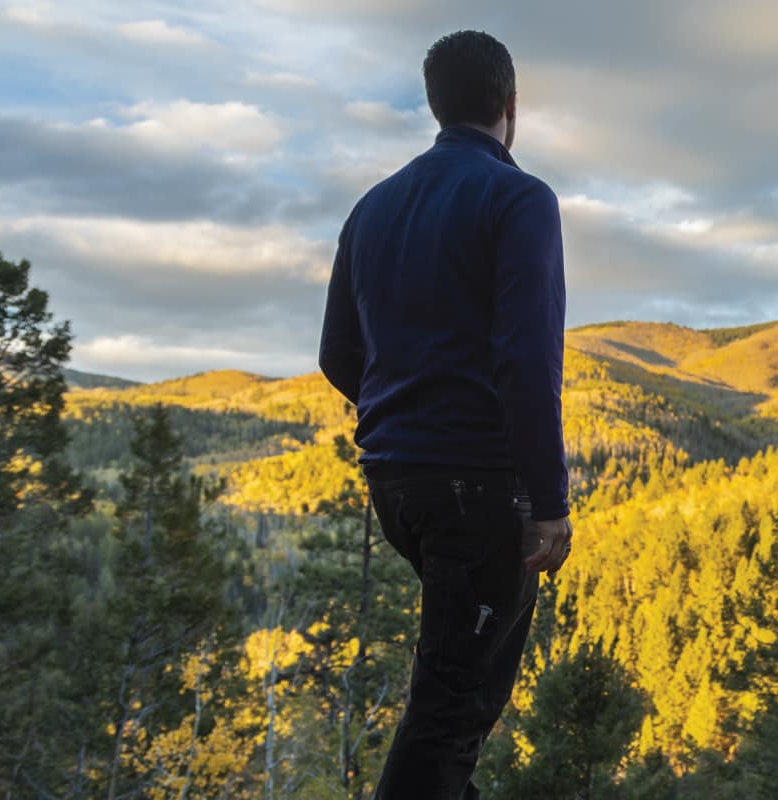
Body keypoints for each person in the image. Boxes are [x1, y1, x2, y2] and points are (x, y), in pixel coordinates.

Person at [319, 28, 573, 799]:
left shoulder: (371, 208)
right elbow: (526, 362)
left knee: (451, 695)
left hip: (396, 486)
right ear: (511, 104)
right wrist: (551, 502)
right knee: (451, 714)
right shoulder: (520, 198)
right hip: (480, 493)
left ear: (434, 104)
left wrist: (405, 417)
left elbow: (337, 354)